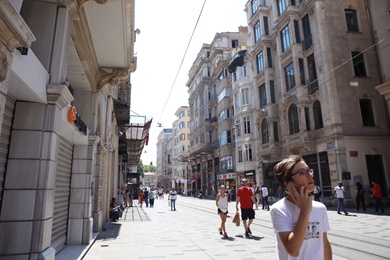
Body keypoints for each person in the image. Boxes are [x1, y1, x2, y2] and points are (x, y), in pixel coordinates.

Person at [270, 155, 332, 260]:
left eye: (309, 170)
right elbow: (293, 250)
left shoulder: (320, 208)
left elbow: (324, 243)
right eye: (302, 172)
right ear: (288, 184)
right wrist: (304, 212)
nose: (310, 175)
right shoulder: (279, 209)